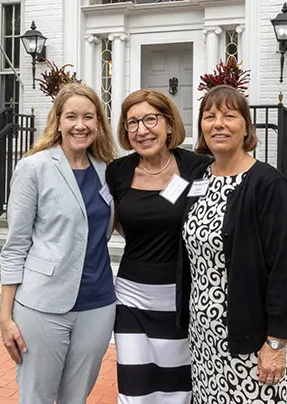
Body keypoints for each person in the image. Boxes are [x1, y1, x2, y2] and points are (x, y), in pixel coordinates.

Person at [178, 85, 287, 403]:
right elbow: (160, 205)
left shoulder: (267, 184)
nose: (218, 123)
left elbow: (284, 270)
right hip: (203, 338)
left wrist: (276, 342)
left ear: (246, 127)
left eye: (229, 116)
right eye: (210, 116)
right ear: (202, 128)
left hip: (249, 338)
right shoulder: (199, 179)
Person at [0, 83, 117, 404]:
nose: (80, 125)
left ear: (98, 123)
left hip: (99, 304)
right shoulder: (34, 168)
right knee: (37, 397)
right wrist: (6, 316)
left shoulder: (108, 171)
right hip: (42, 305)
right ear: (58, 121)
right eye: (72, 117)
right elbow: (16, 245)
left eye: (89, 117)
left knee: (75, 398)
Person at [106, 89, 210, 404]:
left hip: (180, 298)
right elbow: (110, 222)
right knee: (135, 388)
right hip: (131, 296)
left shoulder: (197, 168)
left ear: (168, 123)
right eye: (132, 122)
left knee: (177, 388)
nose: (141, 130)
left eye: (150, 119)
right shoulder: (118, 172)